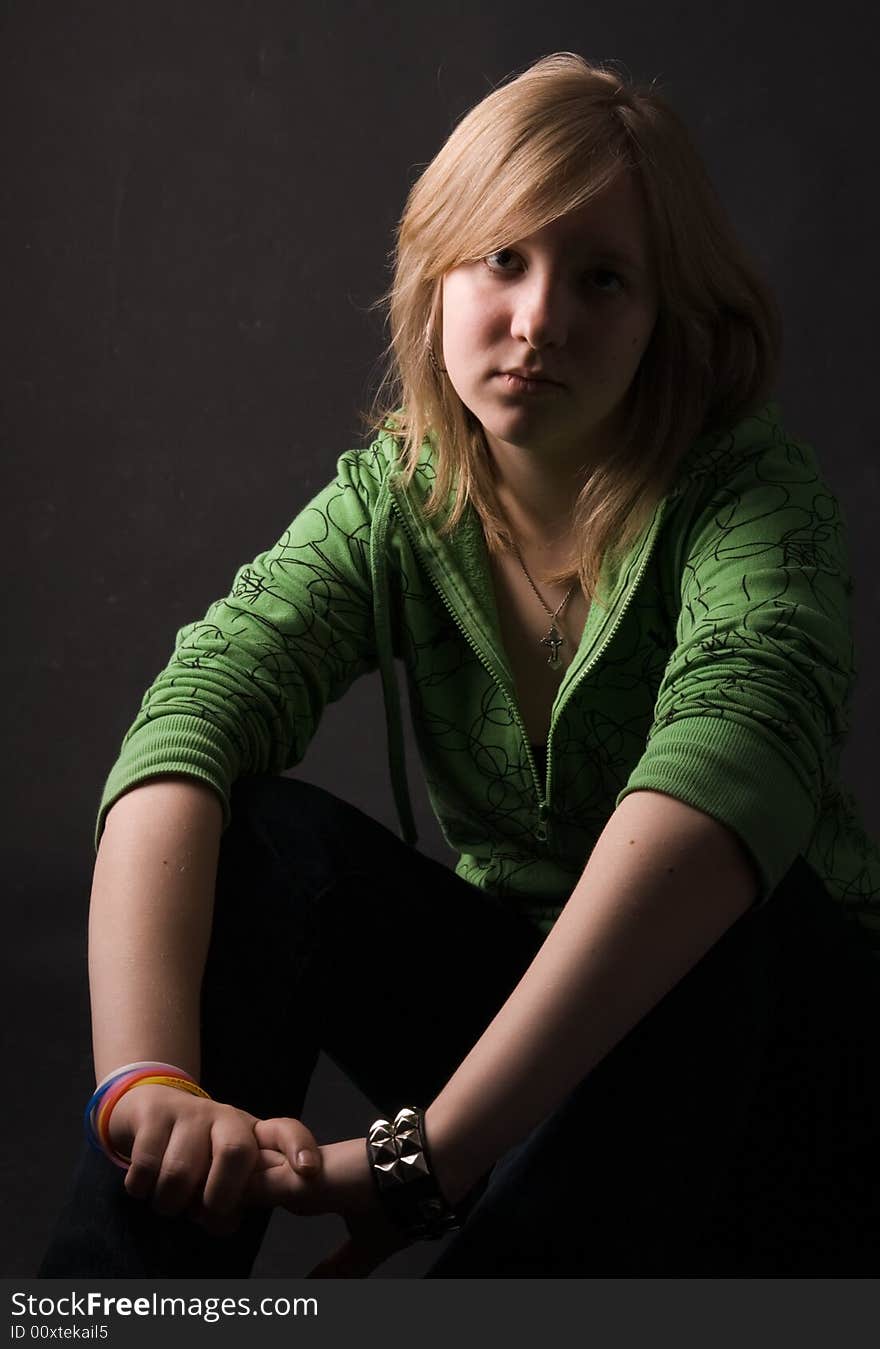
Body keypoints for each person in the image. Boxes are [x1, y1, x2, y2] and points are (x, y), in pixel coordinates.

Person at [40, 50, 880, 1279]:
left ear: (662, 318)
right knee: (270, 837)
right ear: (434, 274)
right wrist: (147, 1081)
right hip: (533, 1070)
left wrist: (424, 1157)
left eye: (601, 279)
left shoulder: (753, 500)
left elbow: (728, 772)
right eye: (502, 259)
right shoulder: (401, 501)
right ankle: (115, 1308)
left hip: (784, 1089)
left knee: (726, 906)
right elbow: (193, 713)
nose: (537, 319)